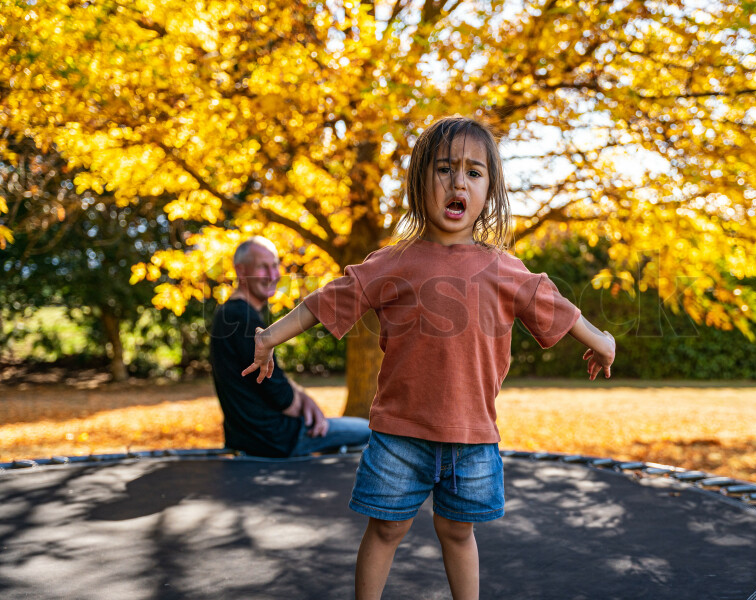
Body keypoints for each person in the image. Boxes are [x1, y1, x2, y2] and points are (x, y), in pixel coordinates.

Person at [242, 117, 616, 600]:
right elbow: (328, 301)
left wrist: (601, 341)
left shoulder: (505, 269)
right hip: (400, 434)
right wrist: (269, 337)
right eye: (444, 169)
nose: (458, 181)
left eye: (473, 173)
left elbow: (559, 309)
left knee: (459, 533)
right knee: (385, 530)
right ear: (421, 182)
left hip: (473, 438)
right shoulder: (393, 262)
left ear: (489, 191)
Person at [209, 236, 370, 458]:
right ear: (240, 270)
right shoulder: (241, 318)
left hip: (250, 436)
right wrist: (309, 412)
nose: (274, 275)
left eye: (275, 265)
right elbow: (281, 397)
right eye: (263, 267)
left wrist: (302, 395)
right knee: (369, 431)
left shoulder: (231, 313)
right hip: (275, 438)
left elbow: (274, 378)